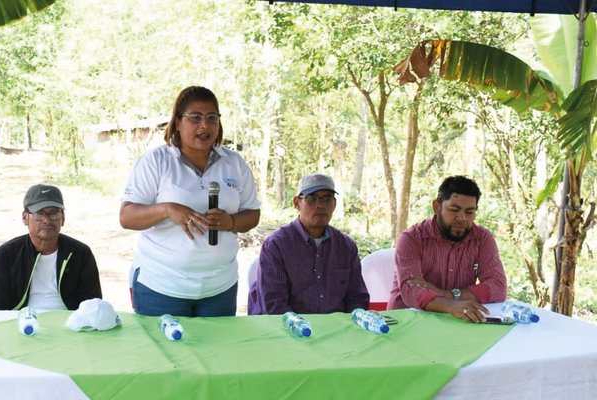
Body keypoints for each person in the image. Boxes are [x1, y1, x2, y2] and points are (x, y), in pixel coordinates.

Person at [120, 86, 261, 317]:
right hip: (162, 287)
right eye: (195, 117)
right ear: (177, 122)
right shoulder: (156, 161)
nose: (204, 125)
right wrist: (167, 209)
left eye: (212, 117)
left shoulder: (234, 163)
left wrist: (231, 222)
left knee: (216, 353)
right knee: (164, 353)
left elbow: (252, 214)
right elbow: (126, 217)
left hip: (219, 288)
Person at [387, 175, 507, 322]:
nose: (462, 217)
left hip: (458, 322)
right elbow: (412, 291)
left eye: (469, 212)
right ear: (436, 207)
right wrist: (451, 306)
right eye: (454, 209)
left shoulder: (482, 239)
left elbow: (498, 287)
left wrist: (449, 296)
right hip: (406, 322)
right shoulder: (412, 238)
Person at [248, 173, 369, 315]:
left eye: (327, 199)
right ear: (297, 203)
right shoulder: (276, 245)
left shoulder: (346, 247)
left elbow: (357, 299)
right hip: (287, 329)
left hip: (337, 330)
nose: (320, 205)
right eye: (311, 199)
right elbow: (274, 305)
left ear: (334, 204)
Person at [0, 184, 102, 310]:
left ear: (63, 218)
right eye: (39, 213)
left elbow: (92, 303)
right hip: (20, 322)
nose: (47, 220)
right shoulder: (7, 254)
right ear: (25, 218)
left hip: (70, 322)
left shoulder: (80, 253)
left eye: (54, 213)